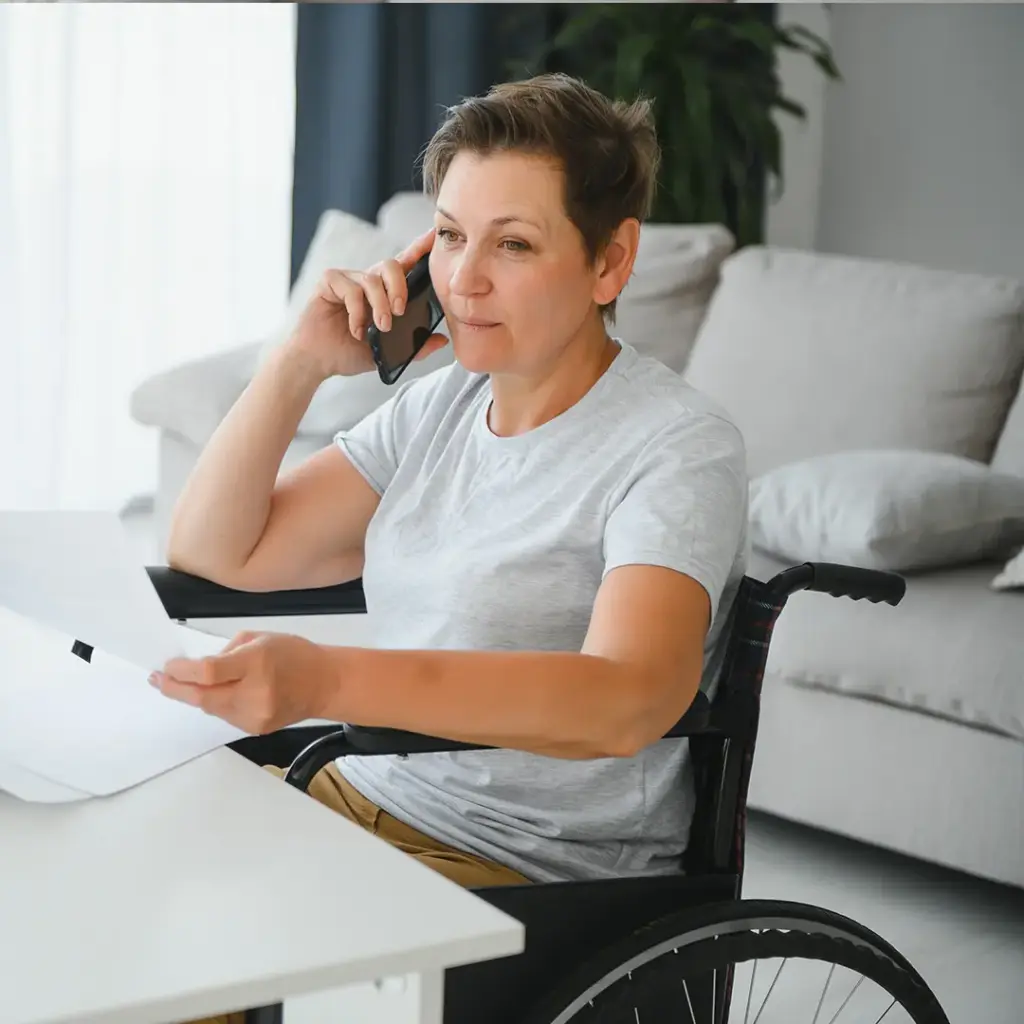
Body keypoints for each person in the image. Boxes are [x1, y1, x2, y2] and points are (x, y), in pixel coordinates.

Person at [161, 70, 748, 1024]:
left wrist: (325, 681)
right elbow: (219, 550)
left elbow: (628, 696)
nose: (463, 279)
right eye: (449, 234)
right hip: (352, 798)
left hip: (516, 867)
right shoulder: (438, 406)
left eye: (513, 244)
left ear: (610, 262)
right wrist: (299, 361)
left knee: (168, 970)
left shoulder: (676, 449)